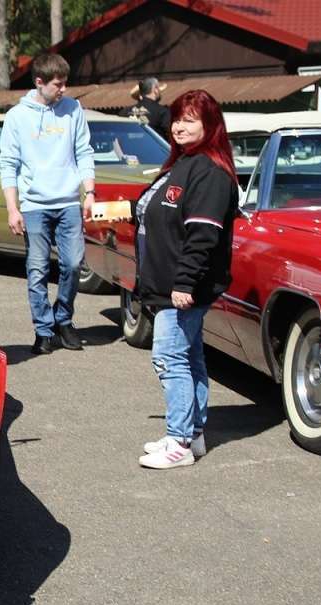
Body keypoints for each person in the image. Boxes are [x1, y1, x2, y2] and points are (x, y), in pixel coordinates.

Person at [135, 90, 237, 469]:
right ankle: (192, 434)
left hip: (181, 288)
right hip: (168, 281)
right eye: (177, 119)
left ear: (210, 125)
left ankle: (178, 443)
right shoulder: (185, 162)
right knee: (190, 357)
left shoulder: (210, 172)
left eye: (189, 120)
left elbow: (203, 235)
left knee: (169, 358)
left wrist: (184, 283)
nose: (179, 126)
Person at [0, 52, 95, 355]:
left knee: (73, 264)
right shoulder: (17, 116)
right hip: (34, 205)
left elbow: (84, 151)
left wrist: (89, 192)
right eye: (58, 84)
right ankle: (43, 330)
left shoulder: (73, 109)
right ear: (39, 82)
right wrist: (12, 208)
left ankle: (63, 320)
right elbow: (8, 164)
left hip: (68, 201)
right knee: (37, 268)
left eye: (66, 83)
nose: (64, 89)